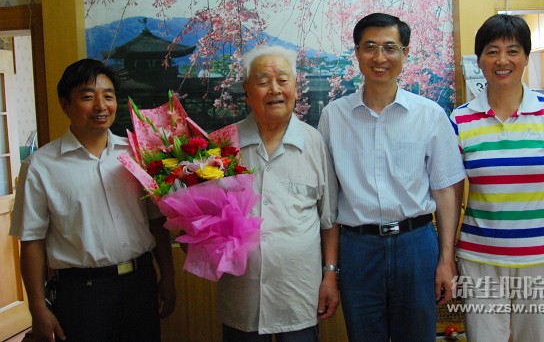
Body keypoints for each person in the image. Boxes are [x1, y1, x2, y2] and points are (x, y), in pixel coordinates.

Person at [317, 12, 466, 341]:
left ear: (405, 53)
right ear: (357, 52)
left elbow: (445, 190)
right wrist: (330, 269)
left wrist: (446, 258)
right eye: (370, 47)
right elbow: (330, 199)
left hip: (416, 245)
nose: (379, 57)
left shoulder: (429, 115)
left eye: (390, 47)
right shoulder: (333, 117)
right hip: (358, 248)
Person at [9, 58, 176, 342]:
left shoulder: (137, 155)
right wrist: (37, 308)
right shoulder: (40, 166)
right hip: (82, 294)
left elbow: (156, 221)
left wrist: (168, 277)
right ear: (65, 104)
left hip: (140, 284)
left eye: (108, 96)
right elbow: (32, 240)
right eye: (87, 97)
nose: (101, 106)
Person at [449, 14, 544, 342]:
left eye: (513, 51)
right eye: (492, 51)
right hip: (480, 260)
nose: (502, 61)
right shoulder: (460, 121)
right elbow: (451, 197)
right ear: (479, 60)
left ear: (526, 58)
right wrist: (448, 257)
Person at [215, 45, 339, 342]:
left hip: (299, 294)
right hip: (242, 295)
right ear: (247, 90)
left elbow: (329, 220)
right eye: (262, 81)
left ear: (296, 87)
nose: (274, 89)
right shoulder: (221, 144)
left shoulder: (315, 143)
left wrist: (330, 274)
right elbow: (205, 216)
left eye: (283, 80)